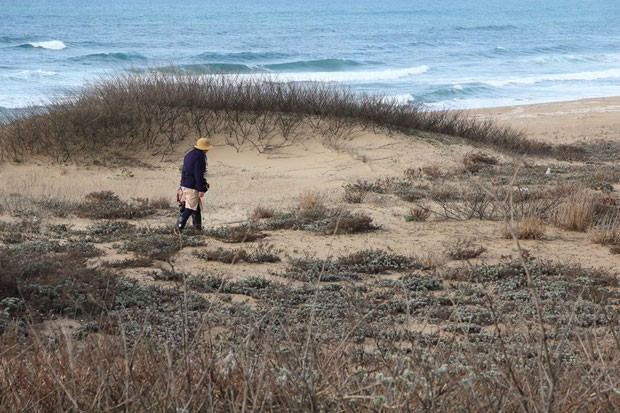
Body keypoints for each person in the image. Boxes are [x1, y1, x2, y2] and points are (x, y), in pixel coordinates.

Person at [175, 138, 212, 234]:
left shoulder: (190, 154)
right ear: (205, 148)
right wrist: (201, 189)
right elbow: (198, 174)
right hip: (191, 186)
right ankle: (178, 229)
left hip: (185, 184)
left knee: (196, 207)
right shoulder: (199, 157)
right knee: (190, 208)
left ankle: (198, 229)